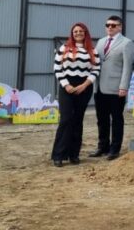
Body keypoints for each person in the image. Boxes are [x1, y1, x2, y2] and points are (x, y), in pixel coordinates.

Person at [51, 22, 99, 167]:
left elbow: (96, 70)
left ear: (85, 33)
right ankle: (58, 155)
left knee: (78, 120)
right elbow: (57, 68)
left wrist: (84, 85)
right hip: (67, 86)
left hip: (84, 87)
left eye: (81, 31)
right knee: (66, 119)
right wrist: (66, 85)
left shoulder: (92, 50)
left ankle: (74, 154)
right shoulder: (64, 48)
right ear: (72, 34)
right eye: (75, 31)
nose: (78, 33)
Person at [90, 15, 134, 160]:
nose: (110, 27)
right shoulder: (101, 42)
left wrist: (124, 87)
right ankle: (102, 146)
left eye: (113, 25)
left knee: (116, 119)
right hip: (99, 88)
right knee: (101, 119)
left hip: (116, 89)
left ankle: (115, 149)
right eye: (108, 25)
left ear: (120, 27)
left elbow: (127, 67)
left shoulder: (126, 43)